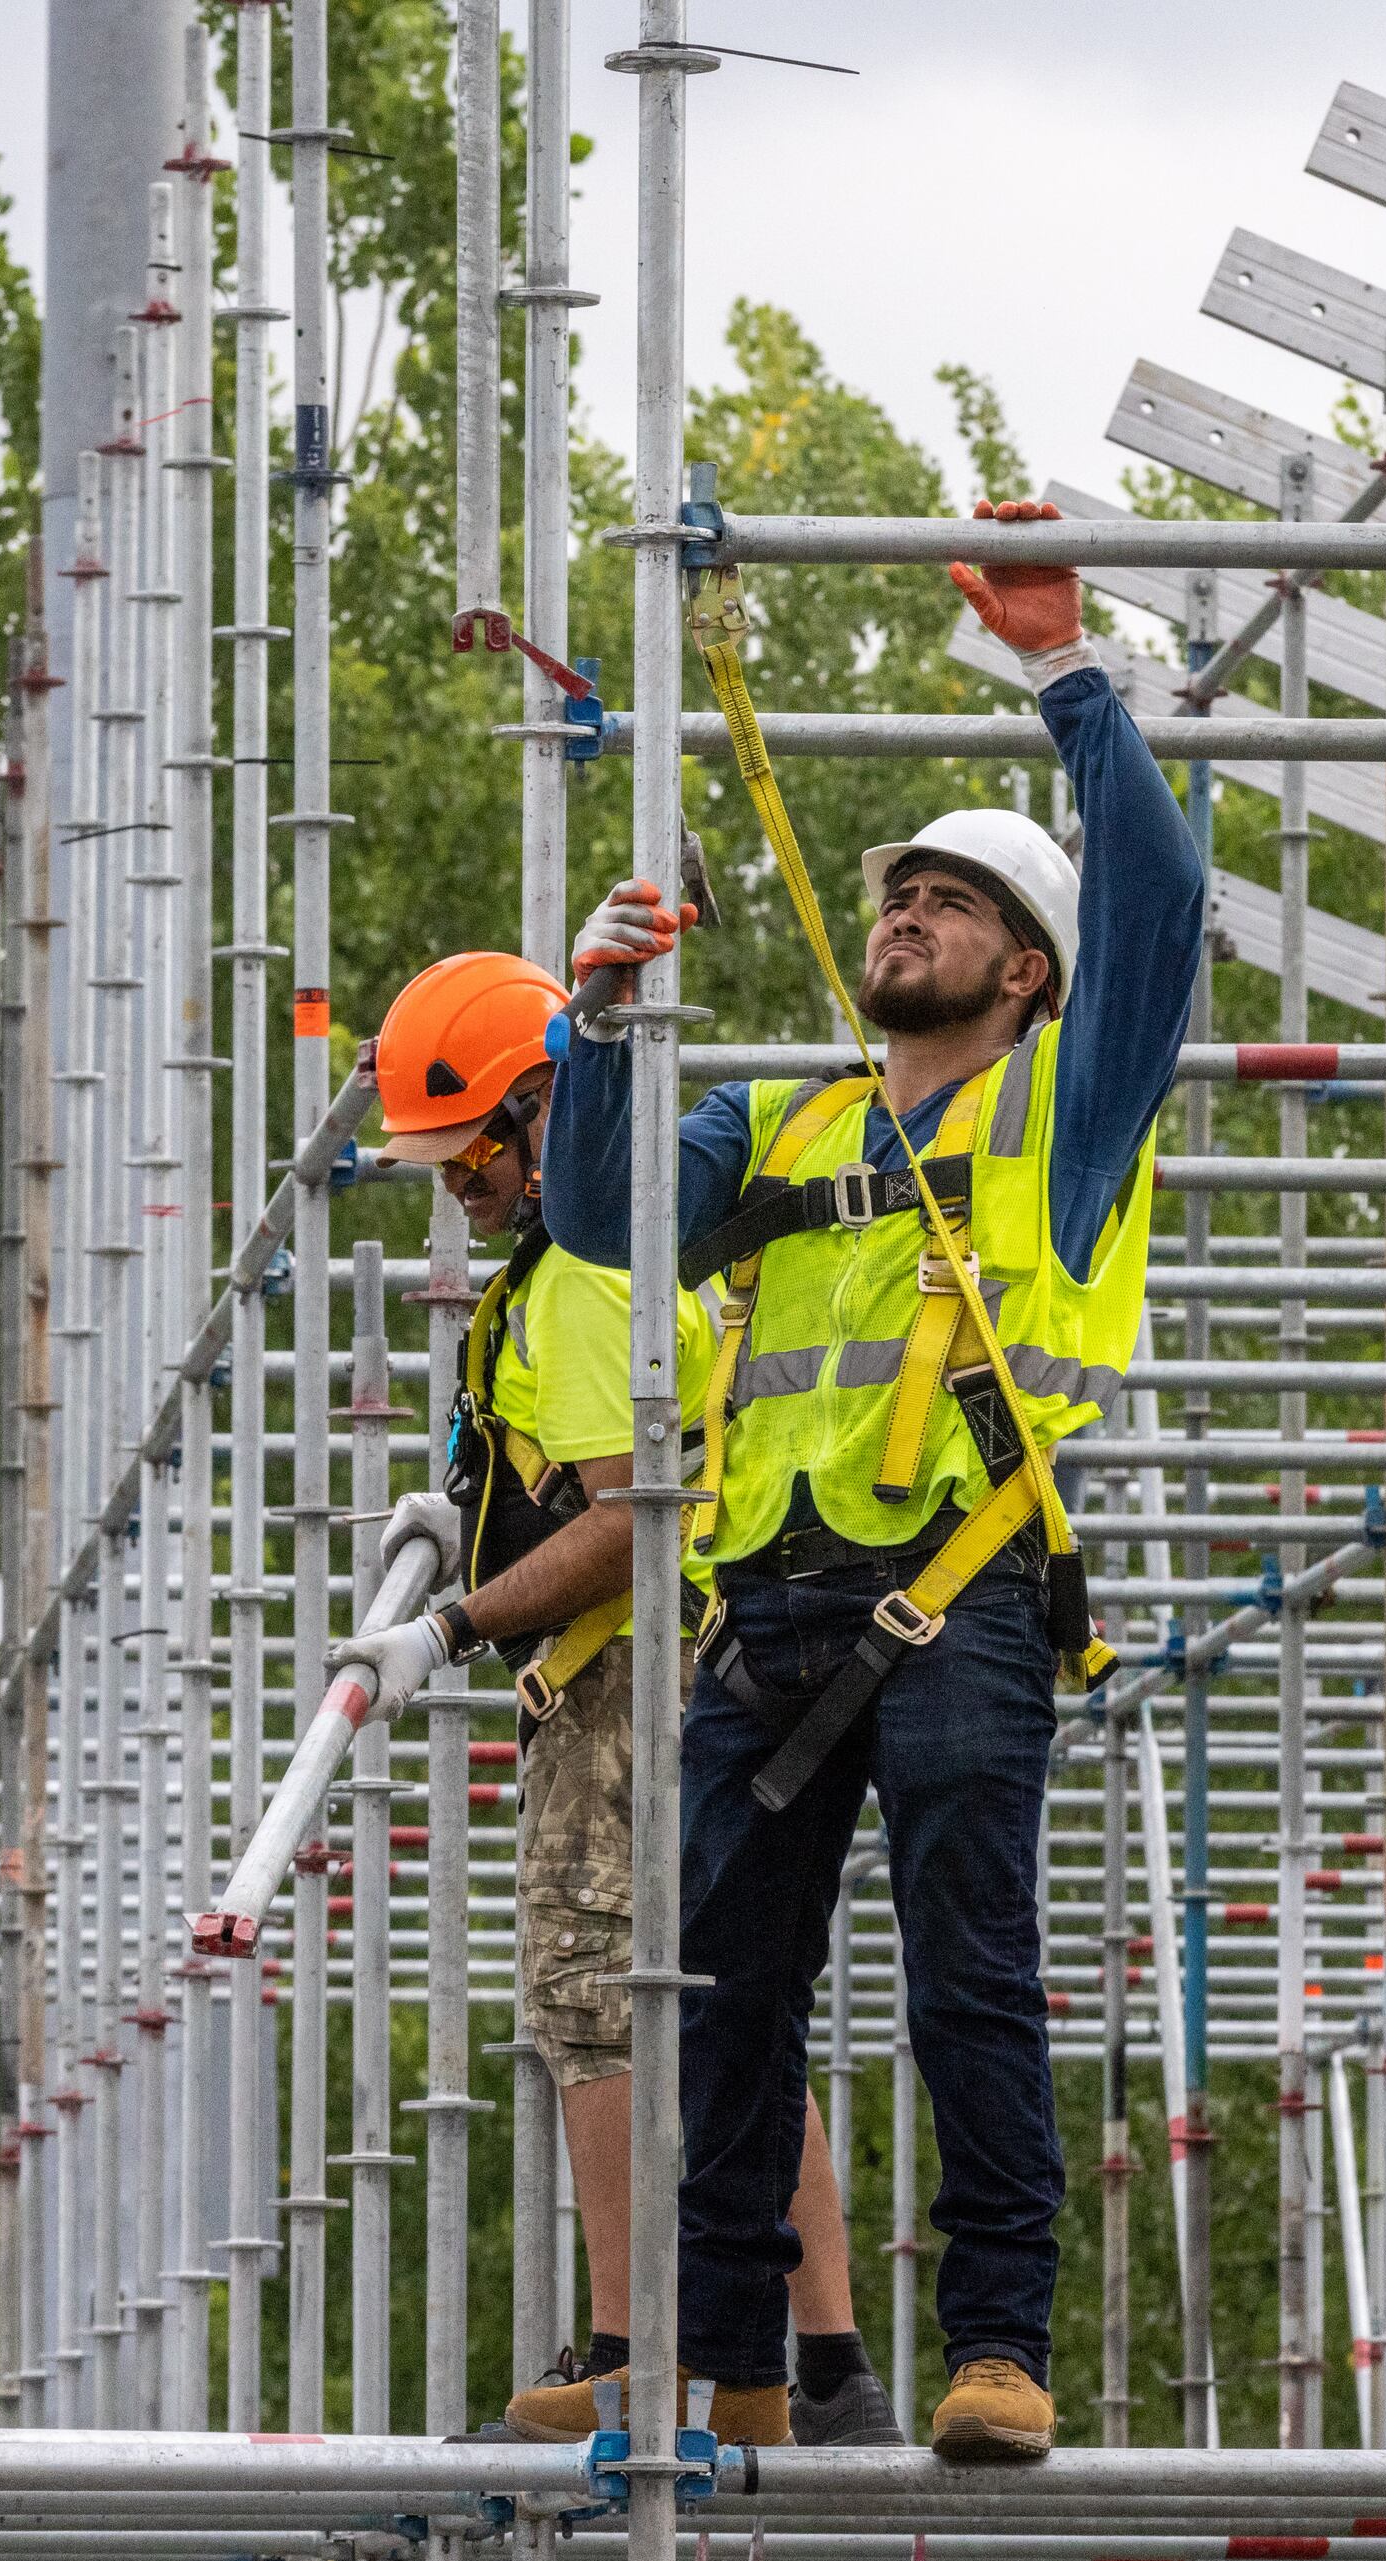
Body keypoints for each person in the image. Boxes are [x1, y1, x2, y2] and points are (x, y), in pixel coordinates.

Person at [540, 500, 1206, 2462]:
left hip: (961, 1596)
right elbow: (598, 1216)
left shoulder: (1063, 1113)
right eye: (893, 893)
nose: (902, 912)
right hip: (772, 1614)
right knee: (721, 1997)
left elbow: (1157, 906)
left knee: (970, 1977)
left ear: (1026, 969)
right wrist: (596, 1024)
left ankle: (998, 2344)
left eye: (947, 901)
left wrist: (1067, 677)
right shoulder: (779, 1114)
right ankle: (730, 2359)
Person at [331, 950, 897, 2451]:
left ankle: (636, 2346)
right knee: (732, 2008)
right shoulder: (585, 1264)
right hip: (686, 1654)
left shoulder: (580, 1270)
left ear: (538, 1108)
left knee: (596, 1998)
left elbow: (631, 1507)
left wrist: (449, 1626)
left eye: (469, 1157)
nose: (456, 1191)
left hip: (631, 1672)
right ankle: (822, 2362)